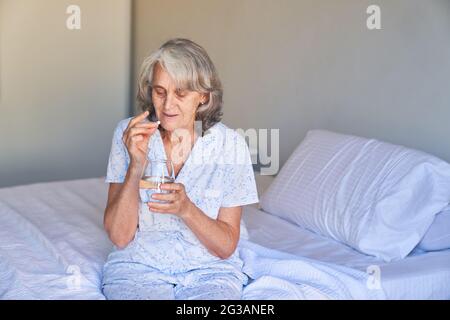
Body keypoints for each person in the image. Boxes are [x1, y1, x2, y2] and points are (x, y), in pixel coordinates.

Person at [101, 38, 259, 299]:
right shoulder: (128, 133)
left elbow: (225, 246)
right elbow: (119, 236)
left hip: (209, 272)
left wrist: (186, 209)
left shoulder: (230, 145)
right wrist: (136, 166)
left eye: (181, 93)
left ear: (203, 96)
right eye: (160, 91)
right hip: (138, 268)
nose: (167, 105)